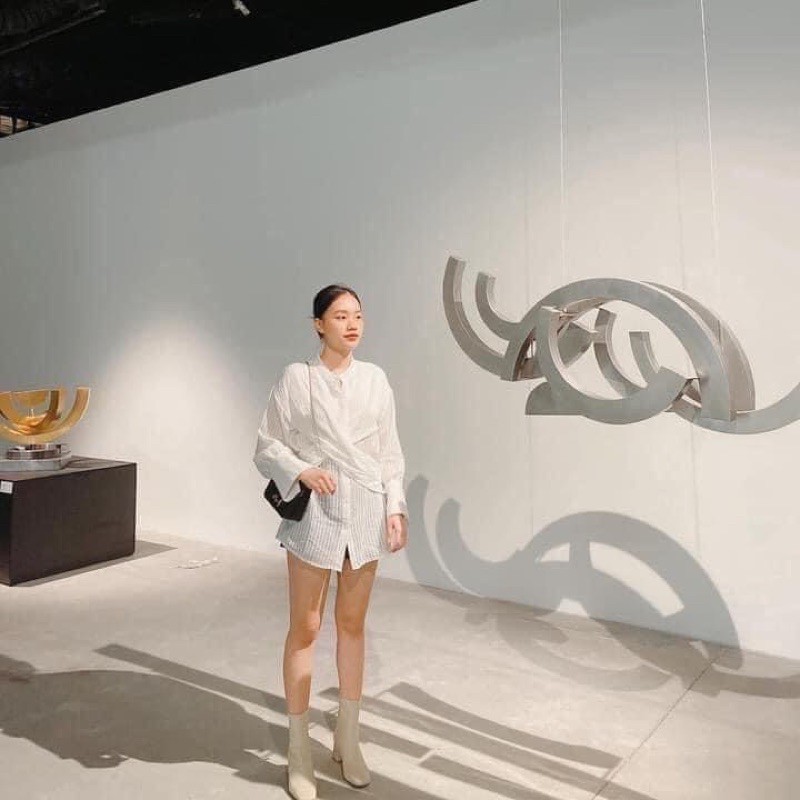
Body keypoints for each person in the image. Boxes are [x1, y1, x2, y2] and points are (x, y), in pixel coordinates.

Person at [253, 284, 408, 800]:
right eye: (340, 316)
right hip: (316, 515)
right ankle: (299, 748)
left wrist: (395, 507)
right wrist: (301, 470)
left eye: (357, 315)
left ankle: (348, 736)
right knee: (305, 627)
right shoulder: (296, 379)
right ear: (318, 324)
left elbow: (389, 453)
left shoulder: (375, 379)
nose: (352, 324)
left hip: (365, 510)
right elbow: (266, 444)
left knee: (352, 626)